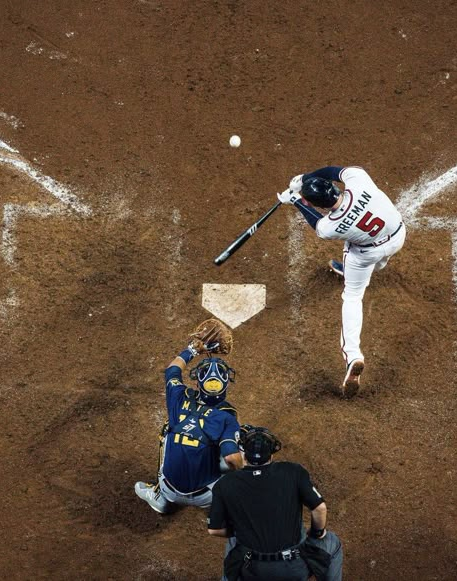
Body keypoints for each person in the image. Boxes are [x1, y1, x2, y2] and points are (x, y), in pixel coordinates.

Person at [277, 166, 406, 396]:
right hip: (397, 236)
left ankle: (353, 355)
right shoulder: (359, 179)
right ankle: (356, 269)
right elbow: (333, 170)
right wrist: (305, 178)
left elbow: (316, 223)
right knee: (374, 256)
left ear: (321, 205)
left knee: (353, 296)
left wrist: (295, 199)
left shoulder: (330, 227)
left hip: (367, 253)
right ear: (333, 188)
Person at [207, 425, 343, 581]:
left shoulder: (225, 483)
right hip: (294, 570)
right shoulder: (293, 471)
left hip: (252, 571)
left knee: (235, 543)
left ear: (243, 453)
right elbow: (320, 509)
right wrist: (317, 533)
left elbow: (214, 530)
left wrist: (239, 532)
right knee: (332, 542)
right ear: (271, 454)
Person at [134, 340, 243, 513]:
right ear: (226, 384)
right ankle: (229, 506)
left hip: (169, 489)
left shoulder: (178, 397)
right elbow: (231, 459)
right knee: (239, 443)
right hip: (207, 497)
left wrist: (192, 350)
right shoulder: (226, 417)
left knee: (167, 431)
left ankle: (159, 496)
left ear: (198, 383)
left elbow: (172, 370)